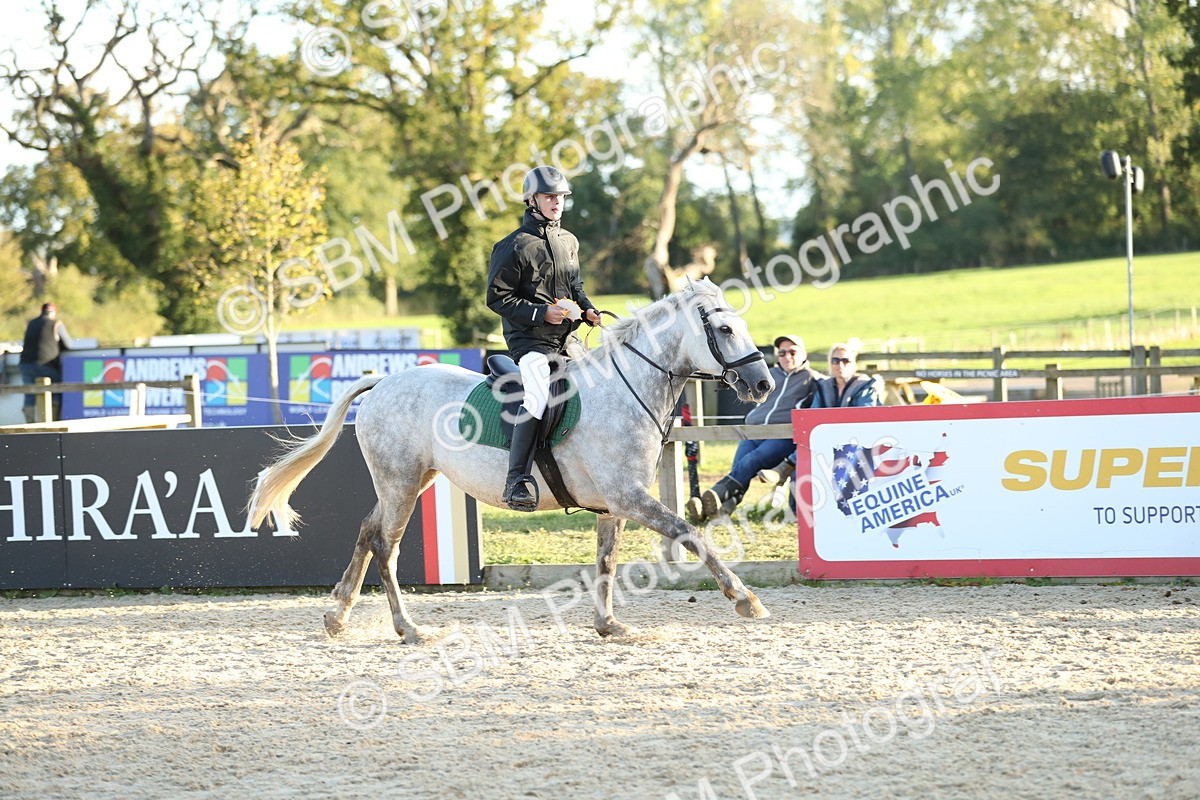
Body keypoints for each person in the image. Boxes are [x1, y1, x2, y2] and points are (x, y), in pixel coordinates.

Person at [486, 165, 602, 511]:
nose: (556, 202)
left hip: (566, 341)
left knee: (600, 388)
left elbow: (575, 287)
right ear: (531, 200)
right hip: (530, 343)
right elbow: (497, 298)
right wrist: (540, 314)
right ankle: (516, 481)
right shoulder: (513, 246)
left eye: (560, 197)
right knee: (536, 398)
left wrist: (588, 309)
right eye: (550, 196)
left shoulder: (569, 241)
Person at [687, 334, 822, 523]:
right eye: (782, 353)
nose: (787, 357)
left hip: (782, 435)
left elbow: (827, 397)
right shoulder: (769, 374)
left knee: (750, 461)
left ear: (804, 354)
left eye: (792, 352)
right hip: (753, 431)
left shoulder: (814, 380)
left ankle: (715, 494)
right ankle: (721, 510)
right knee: (739, 466)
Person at [19, 302, 73, 423]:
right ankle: (52, 423)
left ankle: (30, 424)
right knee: (55, 391)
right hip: (46, 364)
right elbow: (69, 345)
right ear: (54, 313)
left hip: (25, 364)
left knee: (29, 394)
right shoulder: (56, 324)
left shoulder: (31, 323)